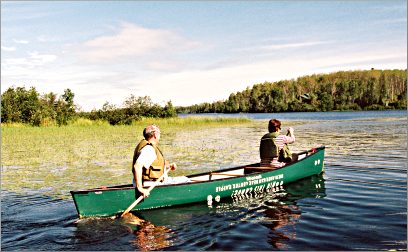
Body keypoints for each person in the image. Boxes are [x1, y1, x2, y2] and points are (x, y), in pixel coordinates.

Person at [132, 124, 177, 197]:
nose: (160, 136)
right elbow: (137, 166)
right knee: (187, 180)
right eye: (159, 133)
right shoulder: (149, 149)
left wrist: (169, 165)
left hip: (152, 182)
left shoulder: (148, 147)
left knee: (182, 179)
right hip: (150, 185)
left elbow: (153, 164)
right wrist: (140, 188)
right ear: (155, 135)